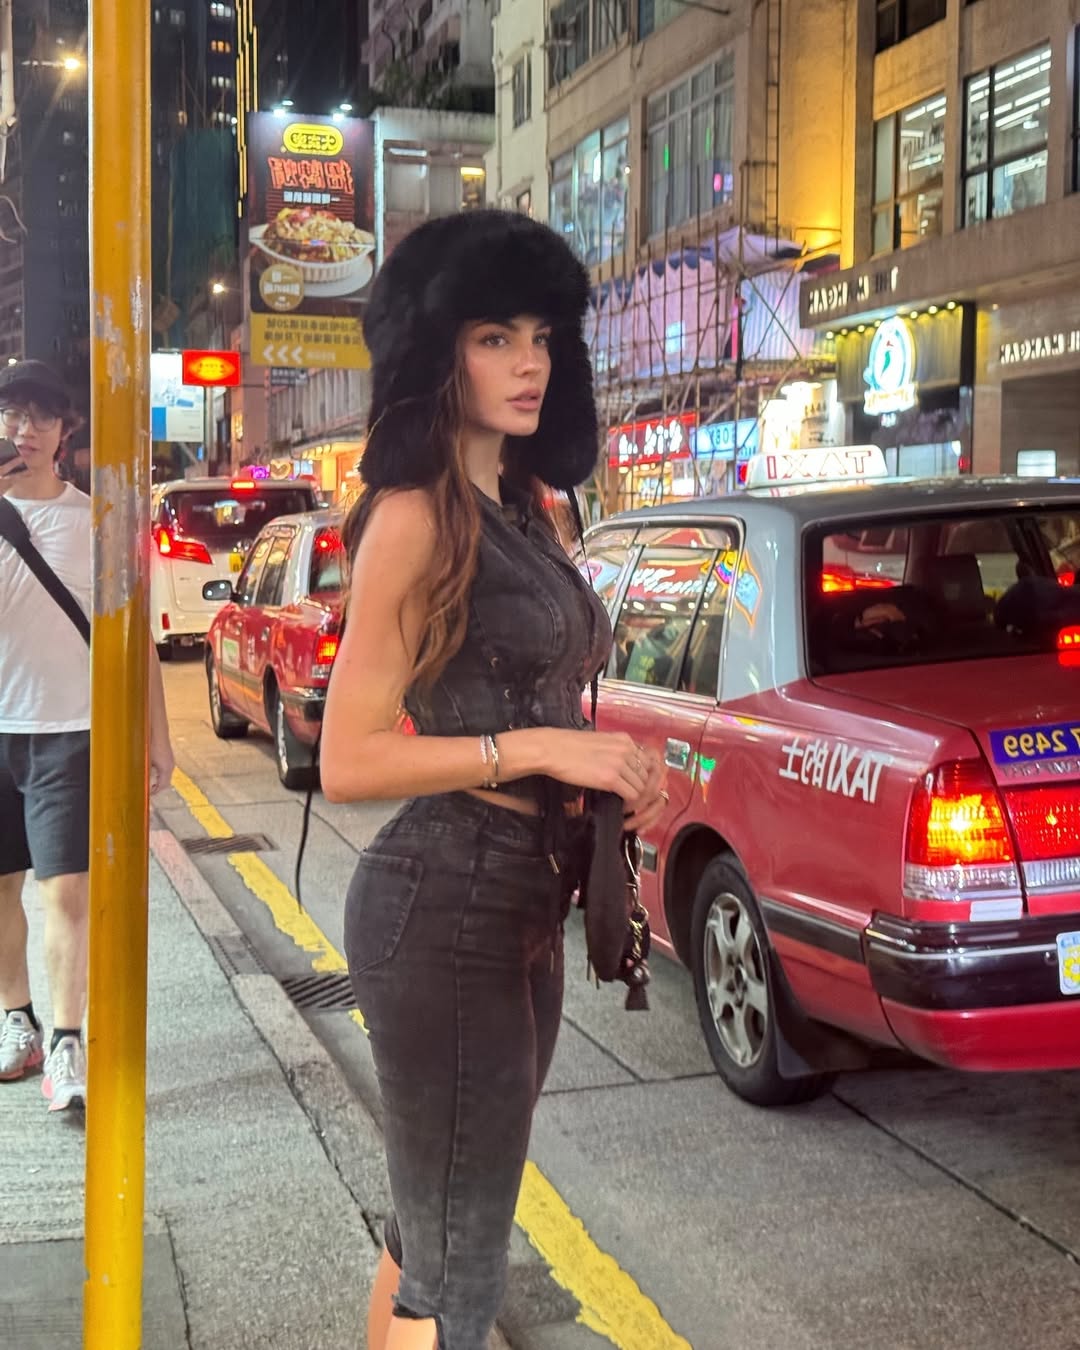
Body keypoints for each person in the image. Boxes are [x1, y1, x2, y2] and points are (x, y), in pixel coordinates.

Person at [320, 211, 667, 1350]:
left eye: (541, 337)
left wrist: (617, 769)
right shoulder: (415, 517)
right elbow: (348, 758)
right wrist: (541, 751)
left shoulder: (526, 509)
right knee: (464, 1266)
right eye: (493, 338)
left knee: (436, 1227)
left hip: (524, 898)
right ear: (438, 353)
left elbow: (543, 691)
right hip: (443, 906)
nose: (529, 364)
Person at [0, 360, 175, 1111]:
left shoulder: (94, 521)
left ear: (65, 431)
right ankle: (18, 1019)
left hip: (69, 731)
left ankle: (67, 1041)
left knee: (66, 892)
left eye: (41, 416)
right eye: (13, 414)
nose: (24, 430)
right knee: (1, 888)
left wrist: (156, 737)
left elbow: (133, 639)